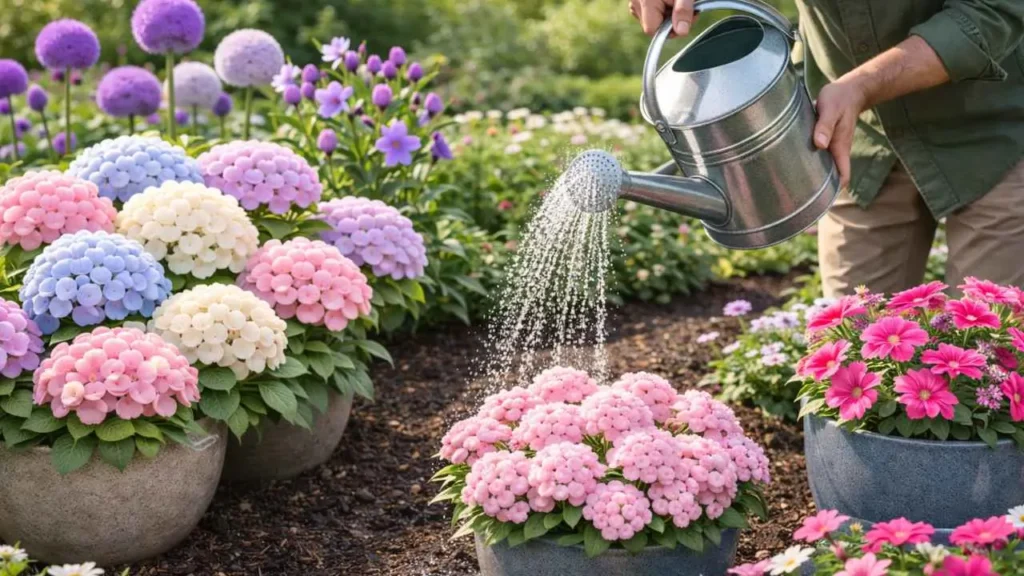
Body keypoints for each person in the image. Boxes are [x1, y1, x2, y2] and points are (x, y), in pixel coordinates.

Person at [630, 0, 1024, 298]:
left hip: (993, 136)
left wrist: (862, 87)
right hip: (858, 144)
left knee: (985, 354)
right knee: (852, 351)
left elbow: (993, 13)